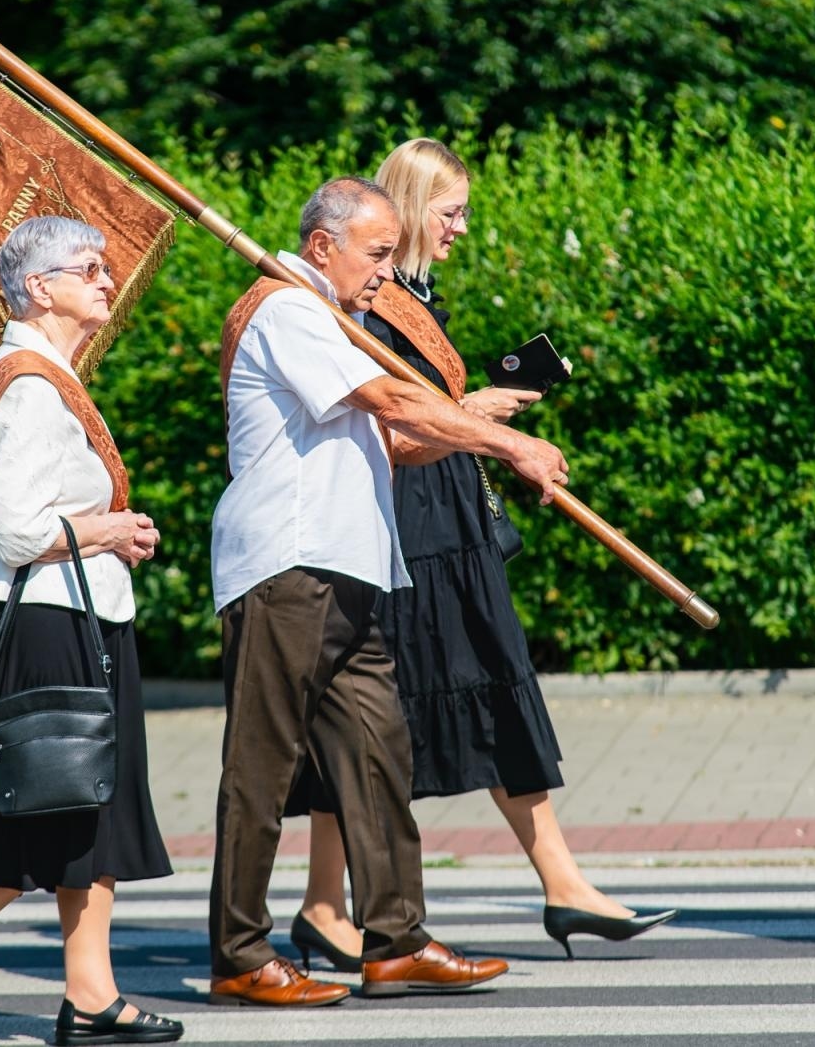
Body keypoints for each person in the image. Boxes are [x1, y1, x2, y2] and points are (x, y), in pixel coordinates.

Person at [289, 141, 678, 969]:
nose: (462, 226)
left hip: (440, 516)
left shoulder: (412, 295)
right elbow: (382, 419)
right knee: (408, 704)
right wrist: (479, 411)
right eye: (450, 210)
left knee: (399, 704)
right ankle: (344, 902)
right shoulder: (372, 298)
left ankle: (334, 903)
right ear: (410, 203)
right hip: (413, 526)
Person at [208, 176, 569, 1006]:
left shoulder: (338, 315)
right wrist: (507, 448)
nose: (385, 270)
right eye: (375, 253)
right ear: (323, 244)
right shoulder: (289, 307)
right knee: (261, 764)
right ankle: (237, 951)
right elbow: (389, 396)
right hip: (286, 565)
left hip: (351, 566)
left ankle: (396, 938)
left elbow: (396, 439)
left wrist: (473, 424)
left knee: (378, 751)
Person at [0, 215, 182, 1045]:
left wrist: (103, 530)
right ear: (37, 287)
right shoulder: (26, 385)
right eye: (86, 268)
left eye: (103, 265)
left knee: (84, 812)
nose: (104, 279)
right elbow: (22, 530)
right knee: (52, 809)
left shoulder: (43, 375)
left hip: (72, 615)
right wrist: (111, 529)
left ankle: (91, 994)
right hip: (47, 621)